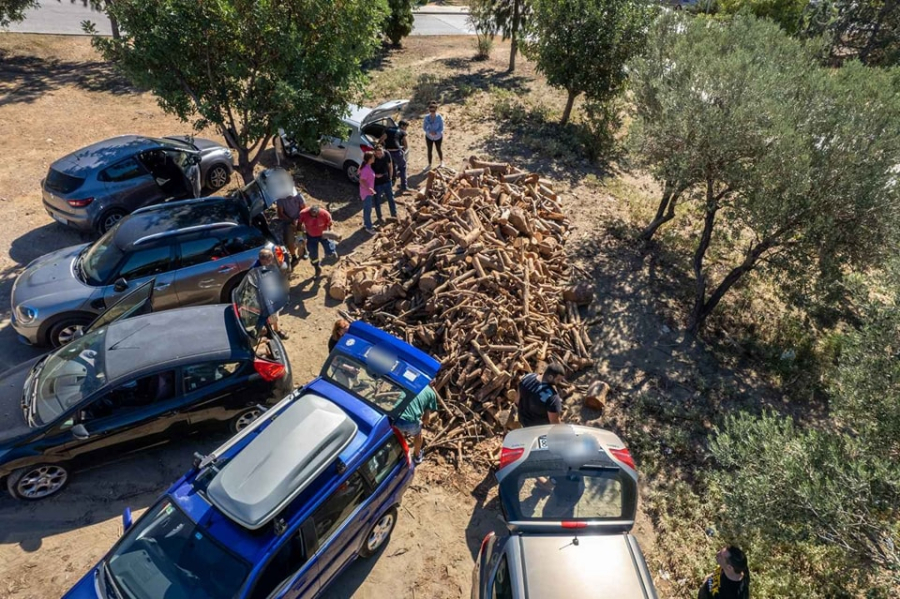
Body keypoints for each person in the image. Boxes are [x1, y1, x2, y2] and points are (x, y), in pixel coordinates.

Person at [250, 248, 288, 340]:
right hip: (263, 297)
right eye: (271, 259)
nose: (272, 260)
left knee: (274, 313)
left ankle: (274, 330)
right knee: (271, 315)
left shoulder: (265, 265)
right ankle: (272, 332)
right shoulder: (255, 270)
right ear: (265, 260)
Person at [394, 385, 438, 465]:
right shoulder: (431, 393)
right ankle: (417, 456)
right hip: (411, 422)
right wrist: (423, 421)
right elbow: (426, 419)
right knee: (418, 435)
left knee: (395, 437)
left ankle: (395, 456)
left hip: (396, 417)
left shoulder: (412, 385)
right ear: (433, 383)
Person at [515, 363, 566, 428]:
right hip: (539, 430)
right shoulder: (552, 396)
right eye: (558, 379)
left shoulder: (526, 378)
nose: (559, 382)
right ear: (550, 377)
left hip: (523, 424)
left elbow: (517, 401)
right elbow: (554, 422)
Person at [299, 204, 337, 278]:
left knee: (330, 248)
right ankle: (317, 268)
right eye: (311, 215)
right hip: (311, 236)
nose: (313, 217)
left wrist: (331, 231)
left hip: (323, 234)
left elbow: (330, 224)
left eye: (315, 215)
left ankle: (331, 252)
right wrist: (299, 235)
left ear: (318, 212)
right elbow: (299, 224)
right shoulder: (303, 213)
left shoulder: (325, 214)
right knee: (313, 254)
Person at [380, 120, 410, 193]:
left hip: (388, 153)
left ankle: (391, 183)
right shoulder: (402, 132)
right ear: (402, 126)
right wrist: (402, 148)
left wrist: (383, 145)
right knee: (403, 168)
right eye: (406, 127)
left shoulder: (389, 130)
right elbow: (406, 145)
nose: (406, 129)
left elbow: (381, 139)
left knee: (391, 168)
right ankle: (404, 186)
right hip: (397, 152)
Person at [276, 192, 306, 264]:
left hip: (299, 220)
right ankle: (293, 257)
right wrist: (291, 221)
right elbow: (280, 213)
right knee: (289, 240)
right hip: (288, 222)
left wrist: (299, 220)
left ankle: (303, 250)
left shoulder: (298, 196)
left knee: (302, 235)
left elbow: (303, 209)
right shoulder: (280, 199)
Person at [372, 145, 397, 221]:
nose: (379, 155)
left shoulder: (387, 154)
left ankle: (394, 214)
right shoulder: (372, 157)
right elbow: (368, 170)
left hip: (386, 180)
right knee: (377, 200)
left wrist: (390, 177)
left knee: (391, 198)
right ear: (375, 153)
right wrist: (375, 175)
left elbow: (390, 165)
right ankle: (380, 217)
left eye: (381, 153)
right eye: (377, 154)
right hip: (377, 183)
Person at [358, 151, 381, 235]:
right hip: (366, 193)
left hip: (367, 192)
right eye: (373, 157)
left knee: (366, 209)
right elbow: (361, 180)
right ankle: (368, 227)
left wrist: (376, 176)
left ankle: (366, 224)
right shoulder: (366, 169)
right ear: (369, 159)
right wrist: (370, 189)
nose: (374, 158)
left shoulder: (368, 166)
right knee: (368, 210)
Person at [422, 102, 444, 169]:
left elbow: (442, 128)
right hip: (429, 137)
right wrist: (429, 132)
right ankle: (429, 165)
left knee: (438, 149)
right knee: (429, 150)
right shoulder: (426, 117)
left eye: (433, 111)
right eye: (430, 111)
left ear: (436, 110)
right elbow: (424, 127)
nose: (432, 112)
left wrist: (436, 132)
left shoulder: (439, 117)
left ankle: (441, 162)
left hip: (438, 136)